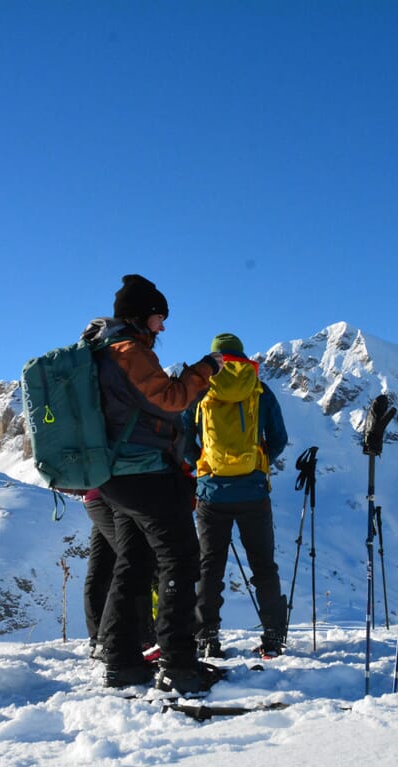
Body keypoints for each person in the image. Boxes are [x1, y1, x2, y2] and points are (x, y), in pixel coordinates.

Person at [82, 274, 224, 693]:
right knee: (180, 558)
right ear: (143, 315)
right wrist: (205, 370)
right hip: (144, 473)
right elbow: (171, 399)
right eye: (160, 317)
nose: (163, 326)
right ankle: (179, 664)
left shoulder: (103, 350)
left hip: (116, 478)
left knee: (135, 562)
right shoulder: (129, 350)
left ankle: (122, 660)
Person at [192, 333, 289, 659]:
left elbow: (180, 435)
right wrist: (258, 465)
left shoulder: (202, 387)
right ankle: (273, 637)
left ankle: (207, 637)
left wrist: (202, 464)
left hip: (211, 492)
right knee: (263, 566)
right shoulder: (259, 388)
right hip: (253, 492)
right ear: (241, 357)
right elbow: (279, 437)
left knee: (210, 567)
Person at [82, 489, 155, 660]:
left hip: (96, 496)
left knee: (103, 566)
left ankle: (99, 641)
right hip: (114, 495)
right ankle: (136, 637)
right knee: (134, 563)